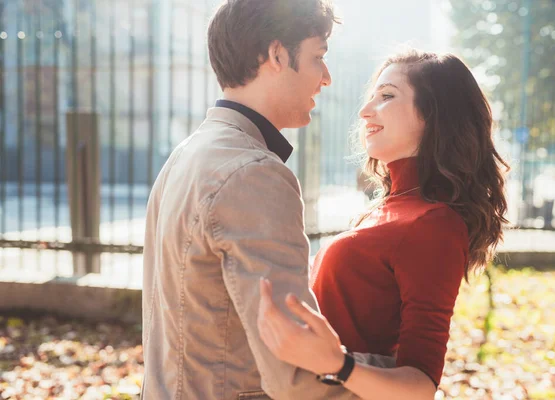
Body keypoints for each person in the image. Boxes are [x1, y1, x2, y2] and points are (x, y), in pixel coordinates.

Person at [141, 1, 395, 399]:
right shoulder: (253, 172)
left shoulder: (187, 154)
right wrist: (398, 375)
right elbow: (294, 376)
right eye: (318, 57)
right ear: (277, 55)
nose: (326, 78)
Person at [257, 48, 509, 399]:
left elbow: (420, 386)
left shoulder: (434, 225)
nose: (364, 111)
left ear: (434, 116)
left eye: (387, 96)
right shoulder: (387, 209)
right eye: (371, 96)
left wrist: (337, 365)